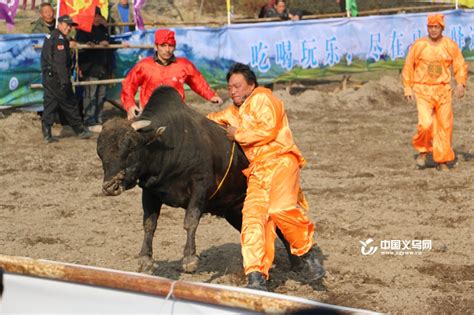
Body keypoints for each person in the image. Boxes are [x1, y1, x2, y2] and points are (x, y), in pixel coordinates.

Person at [207, 63, 325, 290]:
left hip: (280, 161)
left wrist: (237, 134)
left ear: (251, 84)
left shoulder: (264, 98)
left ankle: (306, 253)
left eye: (237, 86)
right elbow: (209, 120)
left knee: (279, 210)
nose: (232, 91)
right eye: (230, 87)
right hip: (257, 172)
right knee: (251, 220)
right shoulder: (232, 112)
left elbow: (268, 129)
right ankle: (256, 275)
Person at [402, 13, 467, 171]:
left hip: (443, 90)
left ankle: (442, 160)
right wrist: (408, 87)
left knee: (444, 125)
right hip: (423, 89)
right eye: (430, 27)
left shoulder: (450, 45)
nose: (433, 30)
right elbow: (409, 66)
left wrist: (460, 83)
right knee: (425, 124)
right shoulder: (419, 45)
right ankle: (423, 151)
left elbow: (459, 64)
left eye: (436, 27)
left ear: (442, 28)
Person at [121, 29, 223, 120]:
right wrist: (130, 105)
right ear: (156, 47)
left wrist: (211, 96)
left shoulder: (183, 65)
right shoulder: (144, 66)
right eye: (163, 45)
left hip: (176, 115)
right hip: (149, 115)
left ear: (174, 47)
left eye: (170, 45)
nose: (167, 50)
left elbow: (197, 82)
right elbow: (129, 85)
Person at [40, 15, 92, 143]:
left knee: (50, 104)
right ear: (60, 24)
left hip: (49, 77)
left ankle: (46, 132)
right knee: (70, 103)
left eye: (70, 26)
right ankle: (80, 130)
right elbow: (60, 63)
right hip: (58, 78)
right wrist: (65, 82)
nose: (69, 28)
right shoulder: (59, 40)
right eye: (67, 25)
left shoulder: (51, 36)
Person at [75, 7, 119, 132]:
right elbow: (80, 47)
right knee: (90, 95)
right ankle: (89, 120)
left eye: (99, 16)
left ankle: (98, 118)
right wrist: (93, 43)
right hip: (91, 67)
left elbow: (110, 43)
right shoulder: (83, 30)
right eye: (95, 16)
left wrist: (115, 44)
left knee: (101, 95)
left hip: (104, 66)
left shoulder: (103, 29)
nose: (97, 18)